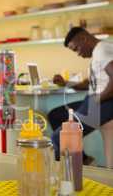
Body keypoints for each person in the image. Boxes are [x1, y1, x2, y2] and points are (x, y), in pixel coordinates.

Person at [48, 27, 113, 165]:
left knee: (57, 138)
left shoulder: (102, 50)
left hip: (104, 103)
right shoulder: (98, 52)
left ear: (84, 38)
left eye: (76, 49)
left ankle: (64, 178)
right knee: (56, 115)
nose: (78, 54)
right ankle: (83, 159)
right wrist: (66, 83)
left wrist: (97, 99)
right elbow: (89, 84)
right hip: (95, 100)